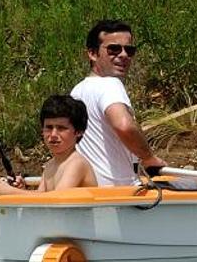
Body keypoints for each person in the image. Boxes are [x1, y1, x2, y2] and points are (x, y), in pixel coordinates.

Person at [70, 20, 166, 186]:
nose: (123, 55)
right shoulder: (110, 84)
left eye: (129, 50)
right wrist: (149, 158)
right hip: (120, 191)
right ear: (92, 54)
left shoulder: (76, 92)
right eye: (113, 49)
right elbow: (124, 126)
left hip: (91, 190)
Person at [0, 94, 96, 193]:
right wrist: (21, 190)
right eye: (49, 127)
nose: (53, 134)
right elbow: (40, 199)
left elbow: (57, 200)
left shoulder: (77, 163)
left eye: (61, 128)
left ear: (78, 132)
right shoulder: (50, 165)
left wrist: (10, 192)